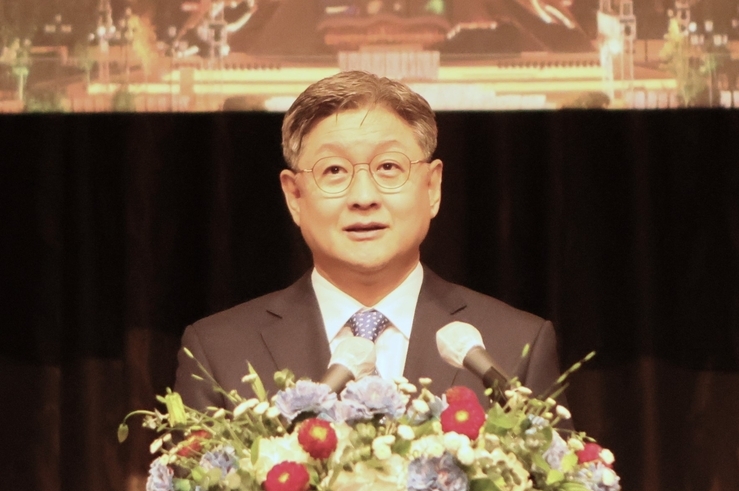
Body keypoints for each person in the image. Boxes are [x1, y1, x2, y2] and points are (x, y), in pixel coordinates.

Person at [175, 70, 563, 410]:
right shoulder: (218, 352)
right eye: (334, 170)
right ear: (294, 196)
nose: (364, 196)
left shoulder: (512, 347)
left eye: (388, 167)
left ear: (432, 187)